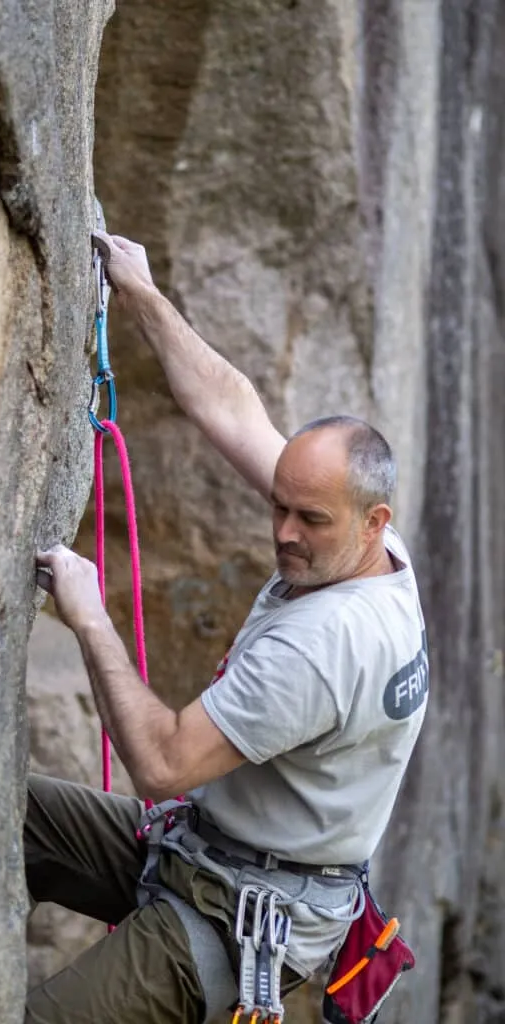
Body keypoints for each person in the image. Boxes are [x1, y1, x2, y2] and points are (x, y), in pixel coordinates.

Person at [25, 232, 429, 1024]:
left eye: (307, 518)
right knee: (18, 816)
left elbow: (160, 762)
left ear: (372, 519)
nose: (282, 532)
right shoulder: (374, 549)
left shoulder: (321, 650)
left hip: (234, 919)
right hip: (201, 850)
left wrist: (89, 618)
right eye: (279, 504)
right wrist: (142, 294)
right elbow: (231, 407)